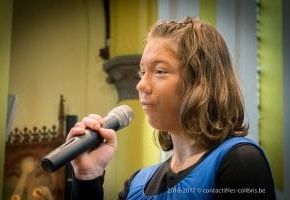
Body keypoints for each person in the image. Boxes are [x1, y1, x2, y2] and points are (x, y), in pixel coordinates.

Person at [68, 17, 276, 199]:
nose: (141, 85)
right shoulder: (137, 184)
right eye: (142, 73)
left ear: (200, 83)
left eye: (159, 71)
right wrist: (88, 178)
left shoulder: (240, 161)